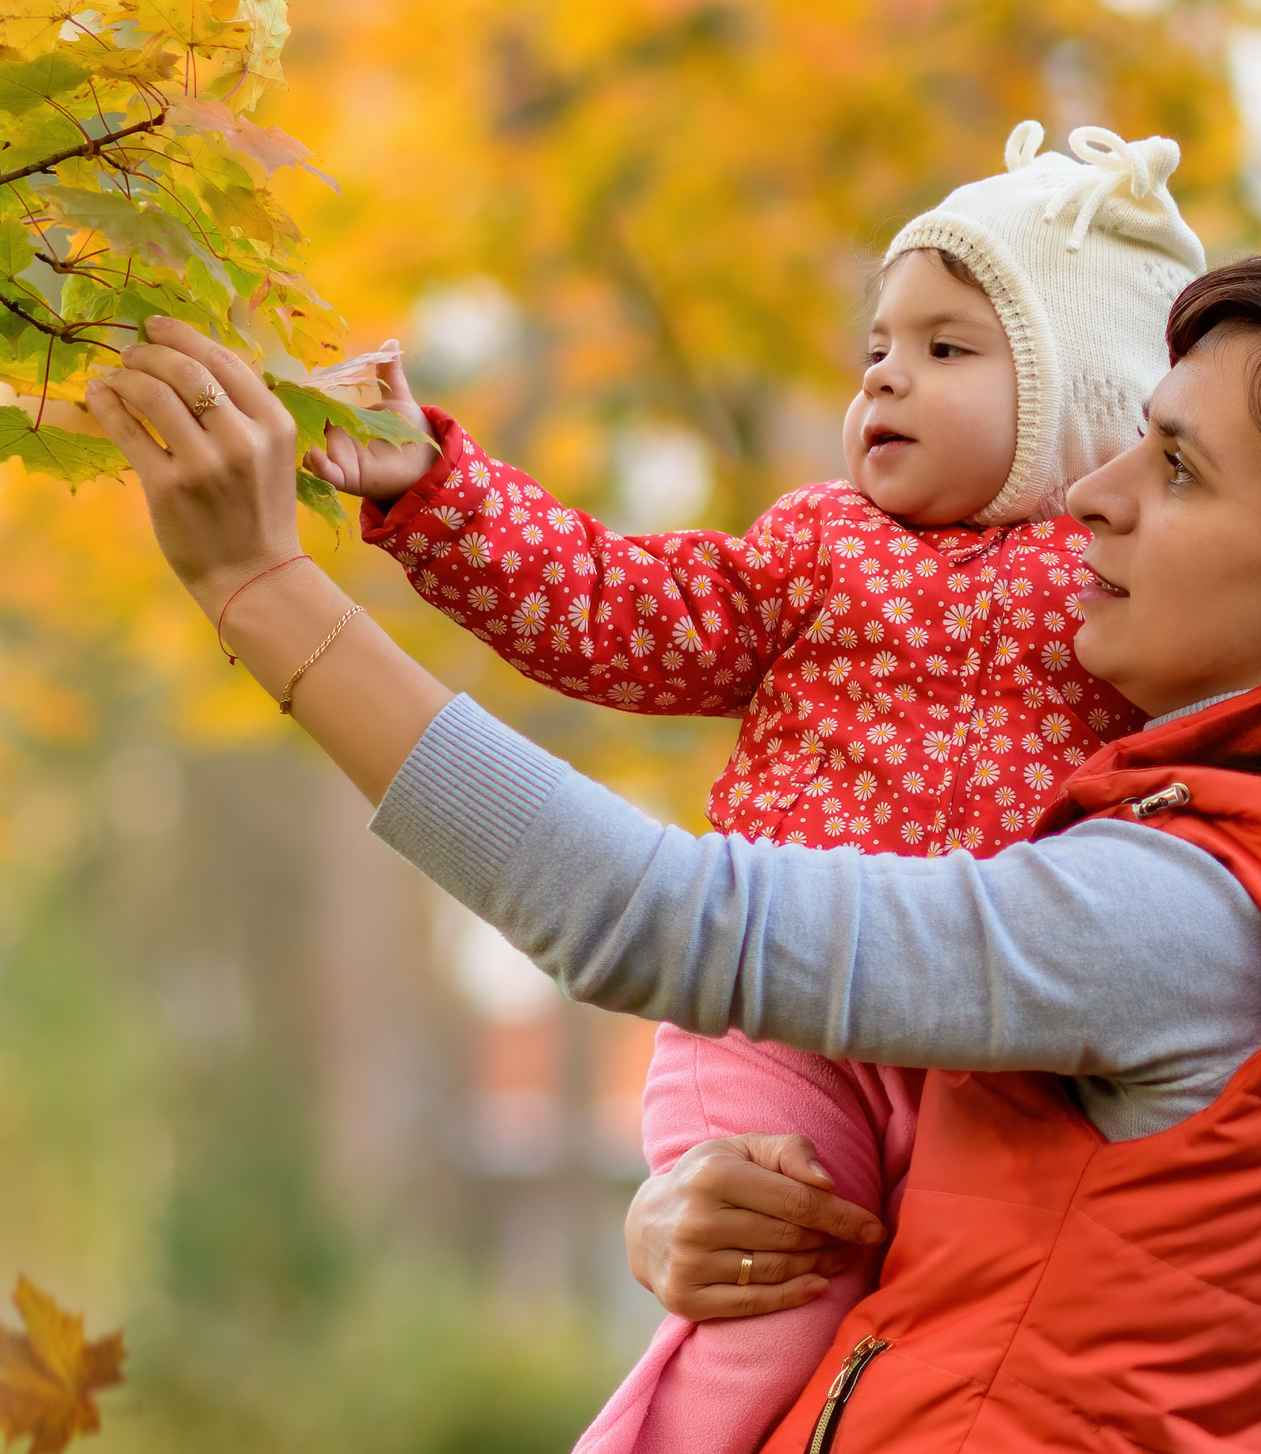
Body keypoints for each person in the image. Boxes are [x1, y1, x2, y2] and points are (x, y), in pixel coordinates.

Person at [84, 256, 1261, 1451]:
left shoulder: (1194, 921)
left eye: (1178, 467)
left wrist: (261, 593)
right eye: (1130, 436)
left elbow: (652, 919)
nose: (1090, 493)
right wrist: (699, 1211)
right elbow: (1012, 1278)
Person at [304, 121, 1196, 1453]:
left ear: (1095, 408)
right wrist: (437, 489)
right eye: (878, 349)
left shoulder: (1139, 603)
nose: (887, 379)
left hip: (998, 1040)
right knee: (771, 1298)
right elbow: (614, 606)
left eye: (948, 349)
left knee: (946, 1316)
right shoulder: (815, 553)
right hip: (772, 1025)